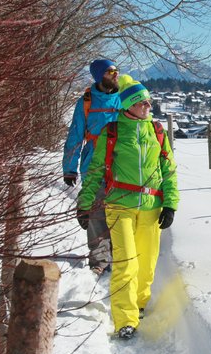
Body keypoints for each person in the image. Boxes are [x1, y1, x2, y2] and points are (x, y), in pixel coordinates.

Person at [77, 75, 179, 340]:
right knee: (125, 263)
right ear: (128, 106)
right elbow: (96, 171)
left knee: (146, 264)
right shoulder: (112, 132)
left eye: (148, 101)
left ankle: (140, 302)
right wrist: (85, 204)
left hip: (151, 208)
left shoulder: (157, 131)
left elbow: (169, 170)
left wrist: (170, 204)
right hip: (118, 206)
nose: (148, 105)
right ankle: (125, 319)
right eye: (142, 102)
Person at [63, 59, 121, 275]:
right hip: (92, 162)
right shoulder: (86, 101)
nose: (116, 75)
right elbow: (75, 135)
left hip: (120, 163)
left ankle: (119, 255)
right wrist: (69, 167)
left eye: (116, 71)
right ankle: (99, 260)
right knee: (97, 212)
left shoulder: (124, 98)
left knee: (119, 209)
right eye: (110, 72)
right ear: (99, 76)